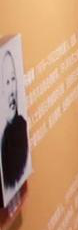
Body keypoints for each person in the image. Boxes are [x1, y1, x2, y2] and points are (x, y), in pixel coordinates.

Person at [2, 50, 30, 199]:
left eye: (13, 79)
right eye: (7, 82)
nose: (12, 89)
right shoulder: (4, 144)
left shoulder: (21, 126)